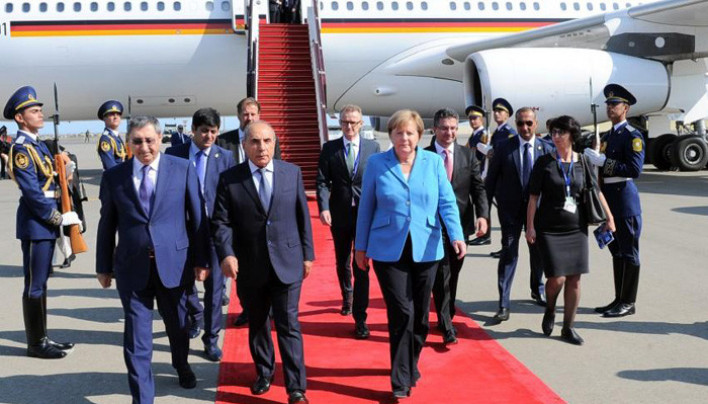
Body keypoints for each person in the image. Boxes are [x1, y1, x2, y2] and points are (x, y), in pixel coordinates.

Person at [96, 115, 210, 403]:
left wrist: (202, 260)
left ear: (160, 139)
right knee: (137, 340)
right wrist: (103, 266)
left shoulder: (182, 169)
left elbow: (197, 217)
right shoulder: (114, 177)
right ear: (128, 142)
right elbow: (107, 223)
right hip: (132, 268)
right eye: (137, 141)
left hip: (174, 264)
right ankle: (142, 399)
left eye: (149, 140)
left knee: (177, 326)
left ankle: (181, 364)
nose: (144, 147)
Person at [354, 109, 466, 399]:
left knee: (420, 317)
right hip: (387, 249)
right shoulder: (377, 163)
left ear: (419, 135)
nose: (404, 138)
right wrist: (360, 247)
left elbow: (446, 202)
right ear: (391, 135)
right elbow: (366, 207)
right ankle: (400, 379)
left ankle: (409, 362)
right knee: (401, 312)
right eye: (399, 132)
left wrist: (456, 235)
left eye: (410, 133)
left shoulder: (432, 163)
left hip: (427, 247)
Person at [212, 121, 313, 404]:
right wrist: (226, 253)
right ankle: (264, 372)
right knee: (258, 324)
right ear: (244, 145)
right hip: (250, 265)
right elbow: (220, 222)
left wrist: (308, 254)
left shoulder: (291, 173)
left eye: (267, 141)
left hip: (288, 261)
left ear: (274, 143)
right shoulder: (230, 179)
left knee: (288, 324)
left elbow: (302, 215)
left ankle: (296, 388)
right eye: (255, 142)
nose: (262, 147)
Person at [4, 86, 81, 359]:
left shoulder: (38, 145)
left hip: (46, 222)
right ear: (20, 118)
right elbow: (32, 192)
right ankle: (36, 344)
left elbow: (50, 181)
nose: (40, 114)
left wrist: (66, 171)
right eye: (34, 111)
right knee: (35, 283)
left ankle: (43, 337)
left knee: (42, 281)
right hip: (37, 224)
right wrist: (56, 218)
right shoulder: (21, 148)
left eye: (40, 110)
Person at [526, 116, 615, 345]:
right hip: (549, 229)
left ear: (572, 135)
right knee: (557, 278)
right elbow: (533, 197)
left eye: (561, 133)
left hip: (576, 228)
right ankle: (550, 309)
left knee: (574, 280)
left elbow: (596, 191)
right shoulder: (544, 162)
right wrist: (530, 226)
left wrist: (609, 217)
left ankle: (568, 327)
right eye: (553, 132)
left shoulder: (582, 161)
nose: (556, 137)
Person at [166, 108, 236, 361]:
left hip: (214, 230)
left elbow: (231, 195)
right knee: (183, 283)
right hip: (182, 230)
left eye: (213, 132)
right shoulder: (174, 154)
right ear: (193, 130)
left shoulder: (225, 157)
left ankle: (211, 339)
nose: (209, 136)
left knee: (215, 288)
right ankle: (195, 314)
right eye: (204, 131)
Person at [424, 108, 489, 345]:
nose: (449, 133)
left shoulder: (467, 155)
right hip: (433, 225)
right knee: (442, 273)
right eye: (444, 128)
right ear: (435, 129)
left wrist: (483, 215)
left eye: (453, 128)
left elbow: (478, 188)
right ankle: (446, 324)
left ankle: (446, 314)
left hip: (460, 226)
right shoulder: (424, 156)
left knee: (453, 273)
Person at [216, 96, 282, 326]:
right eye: (245, 114)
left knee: (267, 260)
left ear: (259, 115)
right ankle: (247, 307)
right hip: (235, 209)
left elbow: (277, 171)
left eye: (253, 114)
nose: (249, 118)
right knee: (241, 266)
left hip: (263, 209)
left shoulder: (270, 140)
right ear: (238, 116)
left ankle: (270, 307)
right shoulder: (223, 141)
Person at [316, 104, 380, 339]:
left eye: (353, 122)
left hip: (365, 214)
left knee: (361, 263)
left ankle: (360, 318)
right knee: (342, 260)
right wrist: (324, 207)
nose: (349, 126)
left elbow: (379, 180)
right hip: (340, 214)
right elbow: (322, 181)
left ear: (361, 124)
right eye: (345, 122)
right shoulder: (329, 148)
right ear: (340, 123)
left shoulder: (373, 147)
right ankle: (347, 296)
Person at [485, 107, 554, 322]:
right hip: (510, 211)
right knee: (509, 253)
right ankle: (504, 303)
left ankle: (537, 288)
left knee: (538, 252)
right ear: (516, 124)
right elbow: (490, 181)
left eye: (529, 123)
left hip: (538, 211)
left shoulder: (547, 149)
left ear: (536, 124)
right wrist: (484, 213)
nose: (525, 127)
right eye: (521, 123)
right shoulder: (504, 148)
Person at [584, 84, 645, 318]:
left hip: (624, 199)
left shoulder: (632, 135)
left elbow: (634, 169)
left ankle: (629, 301)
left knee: (629, 253)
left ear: (625, 108)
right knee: (617, 252)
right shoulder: (607, 136)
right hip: (609, 200)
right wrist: (593, 161)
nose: (610, 107)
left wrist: (604, 162)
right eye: (608, 104)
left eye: (614, 104)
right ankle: (619, 298)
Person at [474, 98, 517, 253]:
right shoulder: (498, 132)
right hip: (494, 177)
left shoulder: (509, 133)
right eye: (495, 111)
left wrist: (492, 152)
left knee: (506, 215)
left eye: (500, 111)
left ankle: (507, 247)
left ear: (507, 115)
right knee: (495, 210)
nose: (496, 114)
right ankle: (492, 239)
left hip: (503, 179)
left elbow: (509, 156)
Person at [465, 105, 493, 246]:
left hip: (482, 174)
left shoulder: (484, 134)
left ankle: (485, 235)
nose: (472, 121)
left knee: (483, 205)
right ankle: (483, 234)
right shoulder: (474, 135)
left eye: (475, 118)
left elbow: (486, 155)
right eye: (470, 118)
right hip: (475, 174)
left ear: (481, 119)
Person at [96, 100, 128, 170]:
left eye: (118, 114)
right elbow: (110, 167)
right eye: (111, 114)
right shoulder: (106, 139)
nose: (115, 117)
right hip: (115, 175)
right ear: (104, 118)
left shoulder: (116, 137)